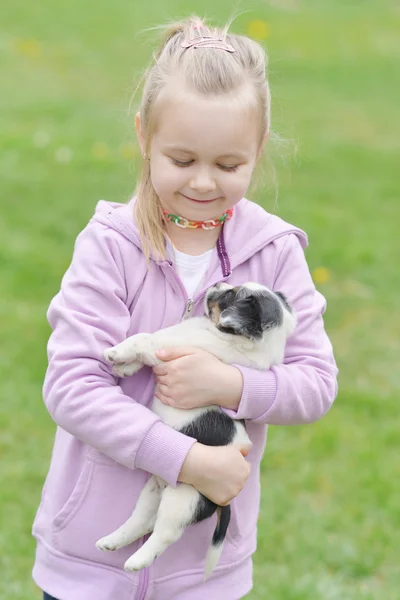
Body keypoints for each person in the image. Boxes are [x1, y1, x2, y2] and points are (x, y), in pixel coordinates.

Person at [32, 15, 338, 600]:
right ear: (144, 136)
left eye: (228, 165)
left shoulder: (274, 253)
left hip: (204, 573)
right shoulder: (110, 245)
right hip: (91, 567)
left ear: (259, 148)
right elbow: (72, 384)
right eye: (181, 159)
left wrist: (230, 382)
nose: (202, 182)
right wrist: (185, 459)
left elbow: (316, 383)